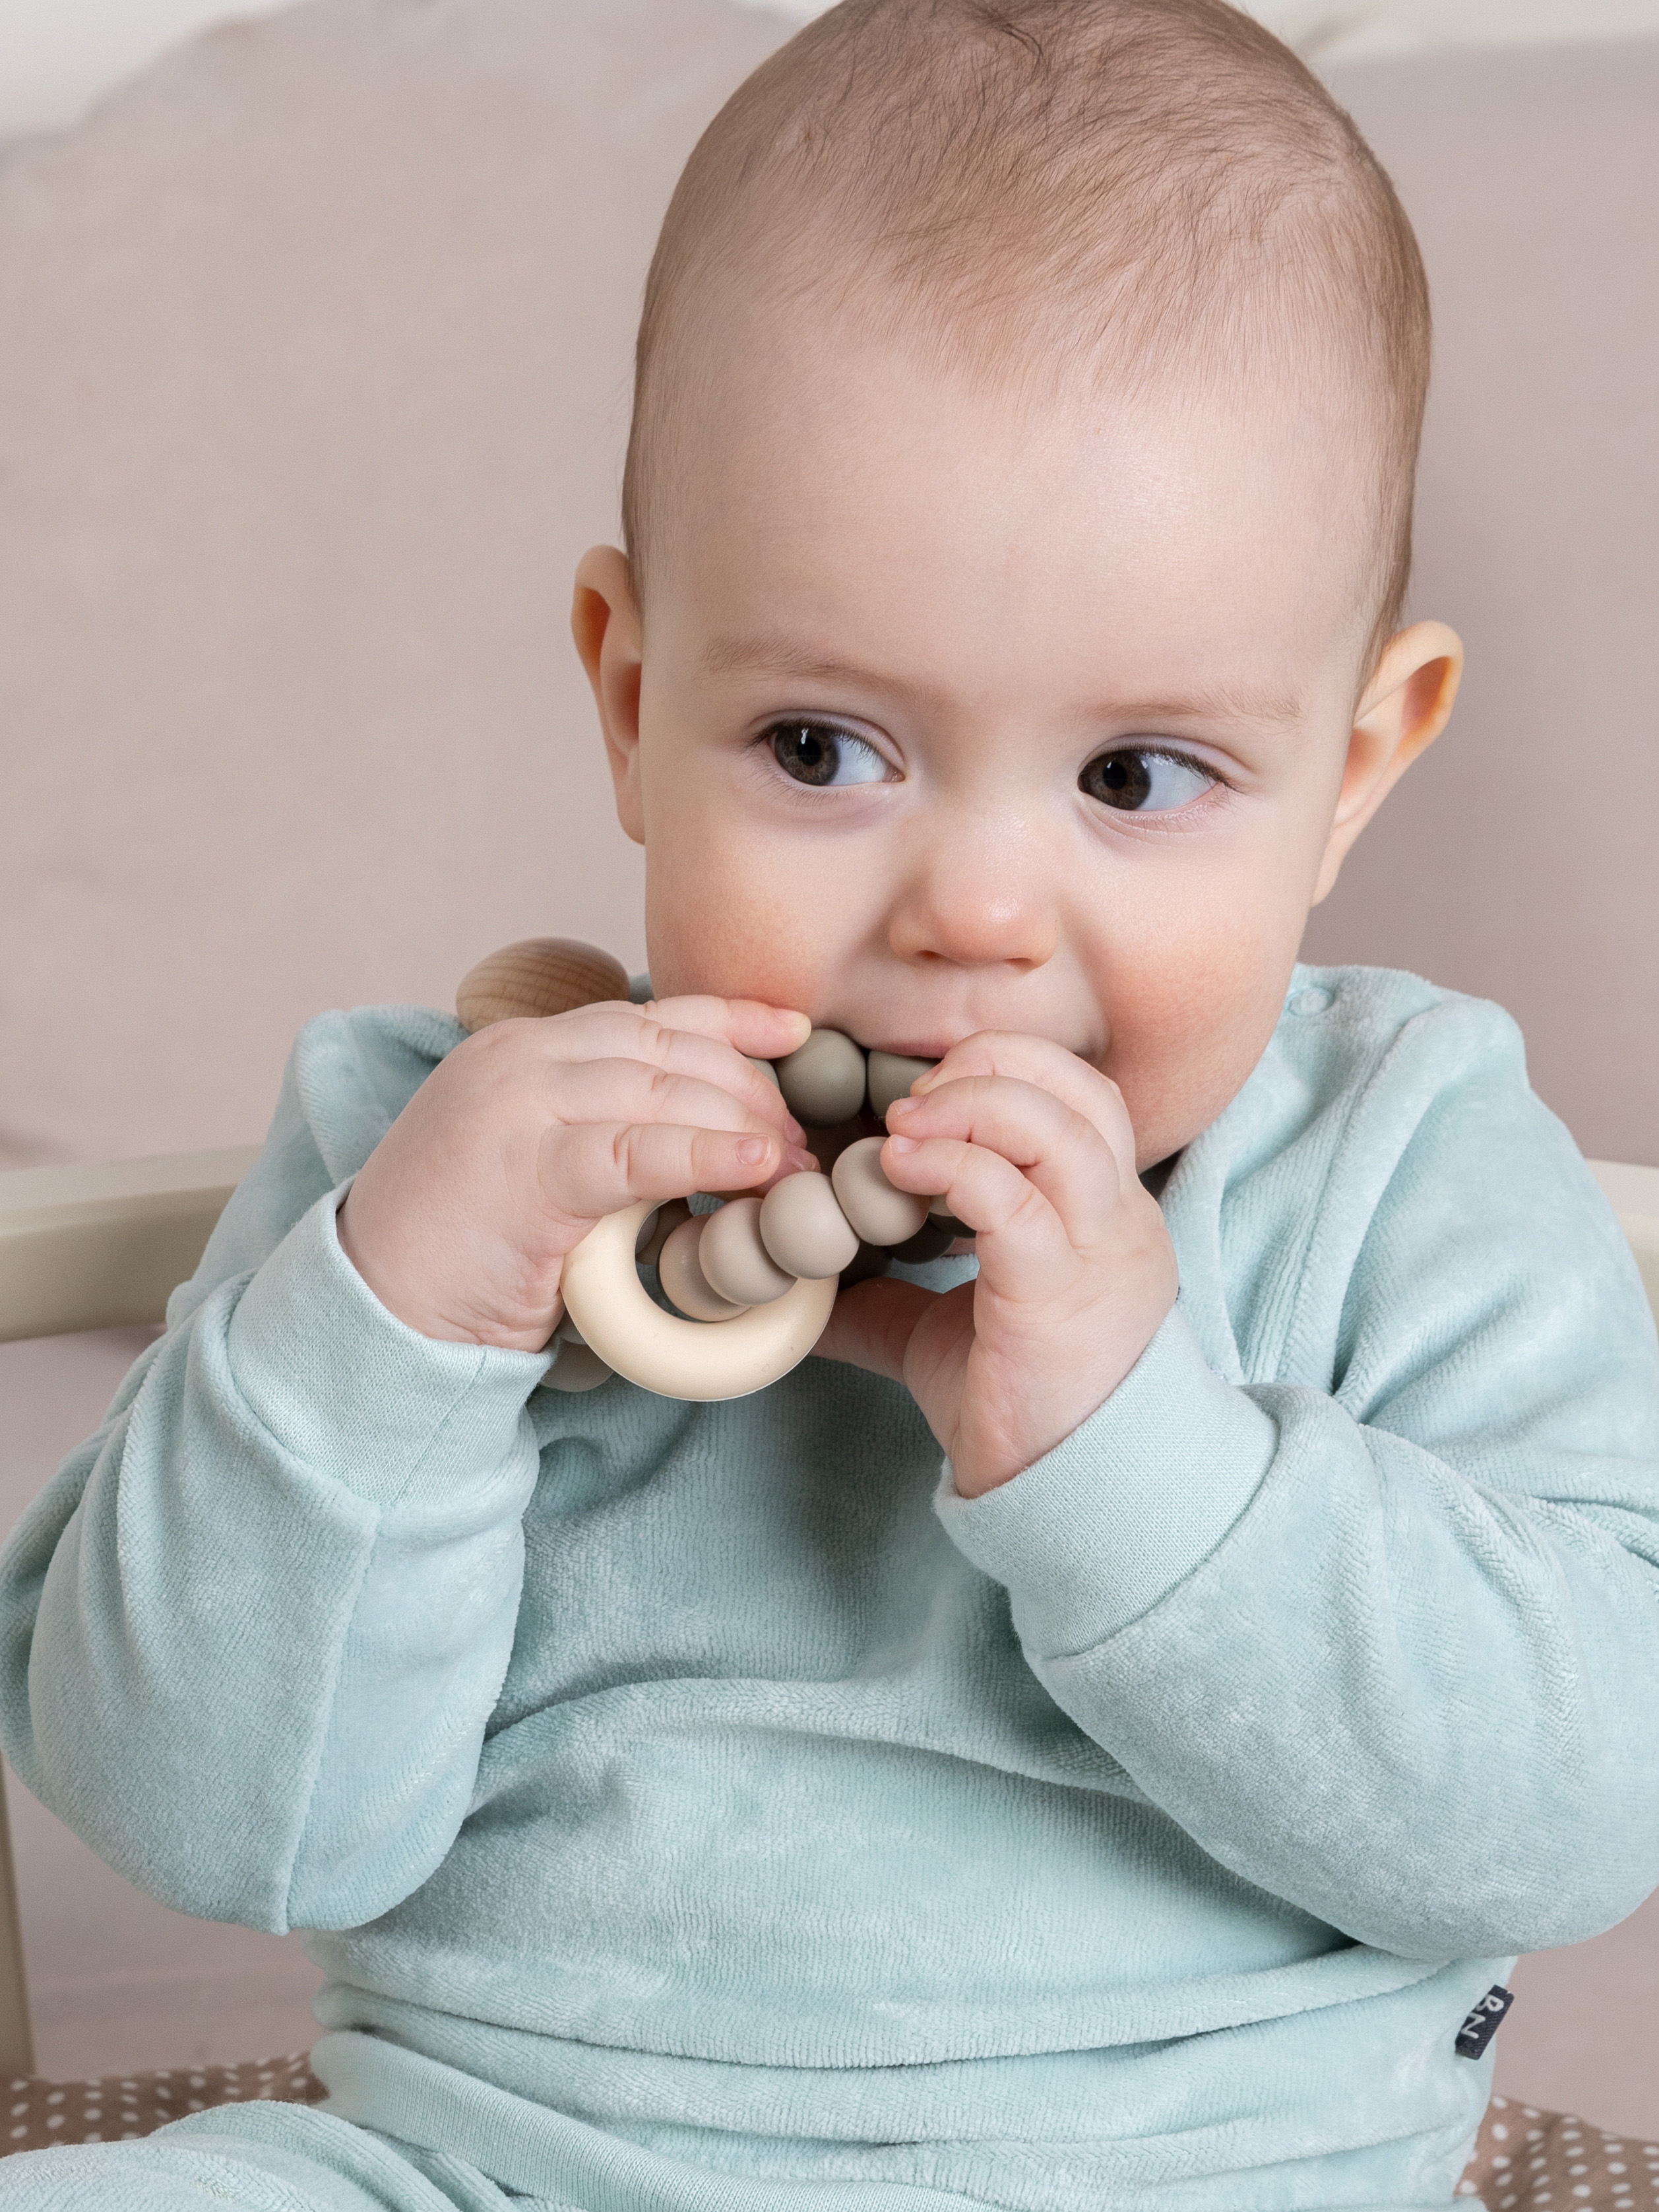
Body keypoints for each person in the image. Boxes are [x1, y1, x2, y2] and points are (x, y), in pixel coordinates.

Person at [3, 1, 1656, 2207]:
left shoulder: (1402, 1160)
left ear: (1351, 770)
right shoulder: (445, 1157)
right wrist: (390, 1328)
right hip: (496, 2172)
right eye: (819, 749)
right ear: (627, 690)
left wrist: (1132, 1457)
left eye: (1136, 776)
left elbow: (1566, 1810)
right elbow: (211, 1825)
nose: (970, 908)